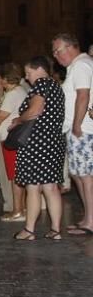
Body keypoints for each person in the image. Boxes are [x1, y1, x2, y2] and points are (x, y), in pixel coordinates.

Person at [10, 56, 66, 241]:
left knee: (33, 187)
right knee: (51, 188)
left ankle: (29, 230)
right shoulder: (56, 85)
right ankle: (56, 230)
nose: (26, 77)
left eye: (28, 72)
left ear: (39, 69)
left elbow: (35, 110)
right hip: (54, 141)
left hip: (37, 142)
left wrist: (17, 120)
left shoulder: (41, 83)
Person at [52, 34, 93, 236]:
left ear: (70, 47)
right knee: (78, 175)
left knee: (85, 177)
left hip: (83, 130)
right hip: (77, 129)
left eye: (57, 51)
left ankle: (91, 221)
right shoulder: (76, 66)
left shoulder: (81, 65)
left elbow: (83, 95)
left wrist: (77, 125)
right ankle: (88, 217)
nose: (55, 56)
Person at [0, 63, 28, 221]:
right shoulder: (19, 91)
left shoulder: (13, 93)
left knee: (14, 175)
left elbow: (1, 115)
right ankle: (21, 208)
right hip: (18, 136)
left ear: (4, 78)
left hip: (12, 137)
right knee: (17, 174)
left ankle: (18, 211)